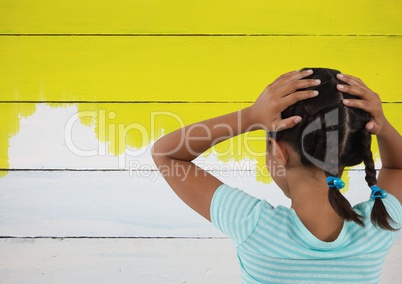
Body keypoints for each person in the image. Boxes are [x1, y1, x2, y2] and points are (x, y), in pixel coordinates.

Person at [151, 68, 402, 283]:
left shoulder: (254, 226)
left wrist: (251, 116)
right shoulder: (378, 226)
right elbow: (398, 168)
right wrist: (382, 124)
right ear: (347, 150)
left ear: (279, 153)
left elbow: (167, 154)